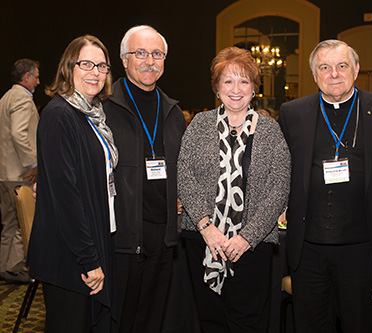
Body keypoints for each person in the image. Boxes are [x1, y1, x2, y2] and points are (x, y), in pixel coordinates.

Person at [278, 39, 372, 332]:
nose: (334, 74)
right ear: (314, 75)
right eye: (324, 67)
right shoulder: (293, 112)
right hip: (308, 248)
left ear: (355, 69)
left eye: (342, 66)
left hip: (363, 247)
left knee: (361, 325)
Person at [178, 46, 290, 332]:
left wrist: (246, 238)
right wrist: (207, 227)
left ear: (254, 87)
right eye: (228, 81)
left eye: (244, 81)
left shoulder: (270, 130)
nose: (236, 89)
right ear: (217, 87)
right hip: (203, 241)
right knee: (209, 320)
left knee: (247, 322)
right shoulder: (199, 125)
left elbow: (279, 187)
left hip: (252, 247)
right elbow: (184, 175)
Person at [27, 35, 117, 332]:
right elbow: (67, 197)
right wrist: (89, 260)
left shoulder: (92, 116)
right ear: (69, 67)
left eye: (101, 66)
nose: (95, 72)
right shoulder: (59, 116)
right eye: (86, 64)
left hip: (86, 244)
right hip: (69, 257)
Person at [104, 25, 185, 332]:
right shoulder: (104, 106)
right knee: (118, 321)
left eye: (157, 54)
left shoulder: (172, 111)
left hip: (162, 237)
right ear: (124, 60)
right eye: (140, 53)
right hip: (121, 237)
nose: (149, 61)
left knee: (152, 320)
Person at [0, 58, 40, 284]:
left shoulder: (6, 97)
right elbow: (18, 134)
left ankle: (5, 265)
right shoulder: (22, 99)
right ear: (26, 78)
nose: (37, 80)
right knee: (21, 222)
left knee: (9, 222)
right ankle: (15, 267)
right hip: (19, 173)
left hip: (5, 172)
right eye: (35, 76)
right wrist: (32, 164)